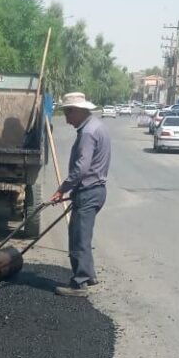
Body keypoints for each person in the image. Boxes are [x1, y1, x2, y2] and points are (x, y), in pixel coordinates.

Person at [49, 92, 111, 297]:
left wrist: (62, 189)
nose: (66, 119)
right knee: (83, 234)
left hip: (88, 190)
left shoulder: (87, 133)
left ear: (78, 111)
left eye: (68, 113)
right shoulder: (97, 126)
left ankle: (80, 283)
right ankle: (89, 275)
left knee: (79, 237)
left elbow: (81, 168)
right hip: (96, 190)